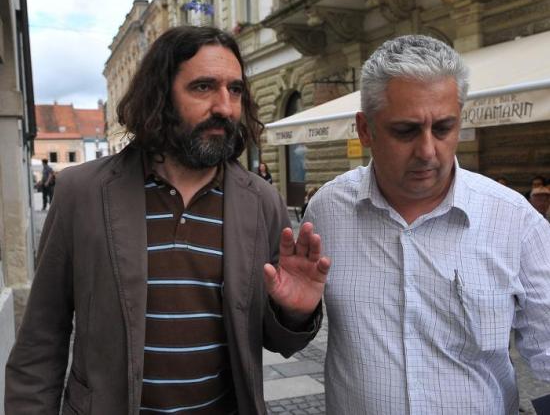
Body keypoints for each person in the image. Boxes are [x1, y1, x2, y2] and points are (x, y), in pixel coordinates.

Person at [5, 26, 330, 415]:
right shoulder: (83, 192)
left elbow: (279, 342)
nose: (225, 107)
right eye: (203, 87)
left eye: (235, 90)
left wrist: (294, 312)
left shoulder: (261, 201)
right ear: (159, 95)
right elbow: (41, 338)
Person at [304, 34, 550, 414]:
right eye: (405, 131)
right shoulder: (327, 211)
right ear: (365, 129)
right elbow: (292, 324)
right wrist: (293, 313)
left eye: (443, 128)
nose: (427, 151)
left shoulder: (514, 220)